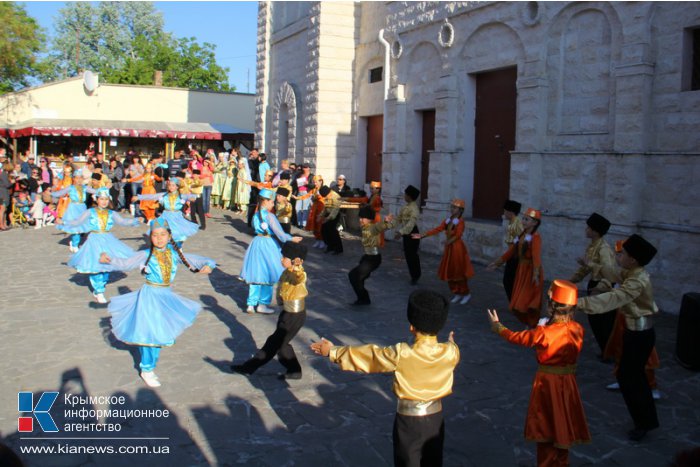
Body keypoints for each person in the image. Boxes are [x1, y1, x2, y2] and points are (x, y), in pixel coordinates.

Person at [311, 289, 459, 467]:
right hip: (436, 418)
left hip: (409, 420)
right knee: (433, 459)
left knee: (407, 460)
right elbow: (451, 346)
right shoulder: (451, 351)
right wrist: (451, 341)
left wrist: (333, 351)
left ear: (412, 326)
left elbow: (370, 356)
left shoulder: (402, 353)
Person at [99, 217, 215, 387]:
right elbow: (126, 263)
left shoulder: (174, 254)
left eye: (163, 234)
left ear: (169, 236)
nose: (159, 238)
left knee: (159, 333)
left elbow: (196, 259)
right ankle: (147, 369)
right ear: (150, 237)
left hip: (165, 296)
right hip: (149, 296)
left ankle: (150, 365)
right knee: (149, 333)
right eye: (155, 235)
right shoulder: (146, 255)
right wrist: (110, 260)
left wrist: (208, 264)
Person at [487, 279, 591, 467]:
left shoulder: (545, 332)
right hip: (568, 382)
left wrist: (498, 327)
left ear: (552, 307)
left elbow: (519, 337)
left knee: (546, 427)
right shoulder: (578, 329)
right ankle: (561, 462)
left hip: (547, 382)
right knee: (563, 423)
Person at [577, 234, 660, 441]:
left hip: (640, 335)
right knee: (630, 377)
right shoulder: (631, 272)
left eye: (623, 253)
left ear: (632, 259)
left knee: (631, 378)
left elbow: (616, 297)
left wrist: (578, 303)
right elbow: (612, 273)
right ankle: (645, 420)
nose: (619, 255)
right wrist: (593, 266)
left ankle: (644, 422)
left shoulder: (638, 280)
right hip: (634, 332)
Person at [232, 242, 309, 379]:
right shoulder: (286, 271)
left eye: (284, 257)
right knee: (282, 344)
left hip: (295, 315)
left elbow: (298, 279)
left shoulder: (298, 272)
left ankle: (248, 368)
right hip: (287, 313)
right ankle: (294, 371)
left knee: (273, 343)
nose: (281, 259)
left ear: (294, 260)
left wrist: (296, 266)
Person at [57, 187, 142, 303]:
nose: (104, 201)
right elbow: (77, 222)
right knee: (96, 266)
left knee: (107, 266)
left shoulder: (111, 213)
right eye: (101, 199)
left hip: (108, 240)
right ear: (97, 199)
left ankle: (101, 285)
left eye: (106, 199)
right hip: (94, 240)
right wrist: (64, 222)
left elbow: (122, 221)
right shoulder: (90, 212)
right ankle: (99, 291)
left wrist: (135, 220)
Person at [239, 188, 302, 314]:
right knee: (269, 273)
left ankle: (251, 304)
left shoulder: (255, 214)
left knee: (256, 272)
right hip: (268, 244)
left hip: (257, 243)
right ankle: (262, 304)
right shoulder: (270, 216)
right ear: (266, 201)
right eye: (272, 202)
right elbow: (280, 234)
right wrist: (292, 238)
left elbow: (254, 227)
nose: (273, 204)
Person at [569, 212, 616, 357]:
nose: (586, 230)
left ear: (595, 231)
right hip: (594, 284)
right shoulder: (592, 247)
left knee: (603, 322)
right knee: (595, 320)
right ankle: (606, 350)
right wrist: (571, 280)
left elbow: (609, 272)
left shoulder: (604, 249)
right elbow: (585, 268)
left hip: (601, 287)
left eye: (588, 228)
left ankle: (609, 352)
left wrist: (599, 289)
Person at [488, 208, 544, 327]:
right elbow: (511, 251)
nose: (523, 221)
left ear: (535, 223)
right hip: (521, 270)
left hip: (530, 271)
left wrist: (535, 273)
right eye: (523, 218)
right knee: (519, 297)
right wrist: (497, 262)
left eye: (527, 219)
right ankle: (526, 321)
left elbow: (536, 256)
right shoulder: (522, 235)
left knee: (528, 298)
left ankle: (532, 323)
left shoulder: (536, 237)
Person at [414, 199, 474, 305]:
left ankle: (465, 293)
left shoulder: (460, 222)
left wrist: (449, 241)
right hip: (449, 248)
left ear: (460, 210)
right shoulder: (448, 220)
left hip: (457, 249)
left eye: (454, 208)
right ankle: (457, 292)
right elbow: (438, 229)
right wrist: (423, 235)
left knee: (458, 271)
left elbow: (458, 234)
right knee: (450, 271)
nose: (452, 209)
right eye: (451, 207)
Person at [349, 205, 394, 306]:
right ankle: (363, 298)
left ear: (369, 219)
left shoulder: (373, 227)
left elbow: (380, 227)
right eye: (360, 218)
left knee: (353, 276)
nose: (360, 220)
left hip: (373, 259)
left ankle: (364, 298)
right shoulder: (364, 228)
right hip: (366, 257)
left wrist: (385, 222)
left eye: (363, 218)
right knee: (357, 277)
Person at [135, 179, 199, 247]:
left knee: (177, 233)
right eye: (170, 185)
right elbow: (151, 196)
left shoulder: (181, 196)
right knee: (163, 232)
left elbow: (190, 196)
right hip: (166, 215)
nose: (171, 187)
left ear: (177, 187)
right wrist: (139, 197)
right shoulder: (164, 195)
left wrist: (192, 198)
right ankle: (167, 247)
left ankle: (178, 248)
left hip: (176, 216)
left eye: (173, 185)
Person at [51, 171, 90, 252]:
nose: (79, 180)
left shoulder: (85, 188)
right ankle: (75, 244)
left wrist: (104, 189)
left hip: (82, 208)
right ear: (74, 179)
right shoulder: (71, 187)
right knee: (76, 228)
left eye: (80, 178)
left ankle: (74, 242)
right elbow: (59, 193)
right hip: (73, 208)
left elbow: (95, 191)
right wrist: (51, 193)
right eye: (77, 178)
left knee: (81, 228)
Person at [394, 185, 421, 285]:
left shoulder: (414, 209)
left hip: (414, 233)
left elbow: (410, 224)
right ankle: (413, 275)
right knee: (408, 255)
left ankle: (416, 275)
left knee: (412, 255)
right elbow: (399, 218)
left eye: (405, 194)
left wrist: (400, 232)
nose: (404, 196)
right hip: (407, 233)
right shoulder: (406, 207)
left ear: (409, 196)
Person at [501, 200, 523, 301]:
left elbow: (520, 242)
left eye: (505, 211)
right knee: (509, 281)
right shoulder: (512, 223)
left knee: (509, 281)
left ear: (510, 212)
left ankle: (515, 302)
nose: (504, 213)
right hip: (512, 255)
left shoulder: (516, 224)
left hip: (515, 257)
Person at [302, 175, 326, 249]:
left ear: (321, 181)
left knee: (320, 225)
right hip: (314, 208)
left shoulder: (324, 189)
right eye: (314, 182)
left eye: (316, 182)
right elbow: (307, 195)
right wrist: (297, 198)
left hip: (321, 208)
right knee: (314, 224)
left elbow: (325, 198)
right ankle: (317, 239)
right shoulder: (314, 190)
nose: (315, 184)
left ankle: (322, 241)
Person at [318, 185, 343, 254]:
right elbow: (325, 208)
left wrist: (327, 219)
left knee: (333, 231)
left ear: (329, 193)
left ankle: (338, 249)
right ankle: (330, 246)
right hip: (328, 214)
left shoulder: (336, 197)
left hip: (334, 215)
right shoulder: (327, 196)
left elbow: (335, 210)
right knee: (324, 230)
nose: (325, 198)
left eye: (325, 196)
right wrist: (320, 216)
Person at [368, 180, 385, 247]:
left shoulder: (377, 197)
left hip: (376, 216)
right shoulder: (373, 196)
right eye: (371, 188)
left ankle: (377, 243)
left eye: (373, 188)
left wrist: (368, 207)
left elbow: (377, 207)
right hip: (373, 216)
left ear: (378, 189)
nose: (371, 190)